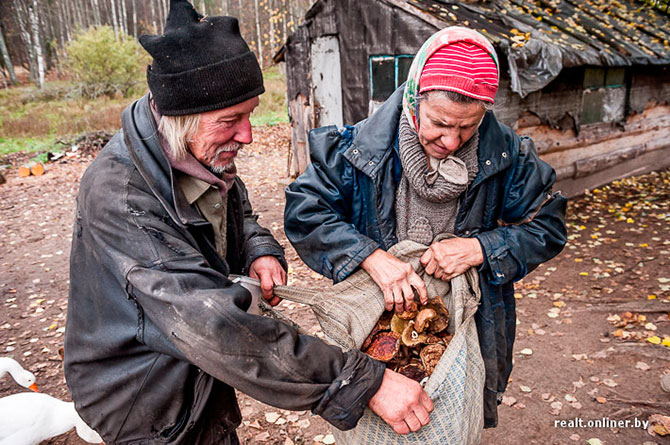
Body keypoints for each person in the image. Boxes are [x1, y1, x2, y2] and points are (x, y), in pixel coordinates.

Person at [63, 1, 434, 443]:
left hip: (196, 372)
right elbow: (208, 322)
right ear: (179, 118)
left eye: (250, 114)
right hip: (148, 398)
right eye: (230, 121)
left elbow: (235, 212)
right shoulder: (120, 194)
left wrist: (258, 248)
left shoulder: (196, 155)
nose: (248, 135)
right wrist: (363, 381)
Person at [284, 26, 568, 428]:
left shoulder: (510, 157)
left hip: (469, 329)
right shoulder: (357, 148)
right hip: (377, 326)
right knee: (381, 421)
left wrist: (482, 248)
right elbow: (305, 211)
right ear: (415, 99)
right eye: (438, 123)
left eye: (467, 127)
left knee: (451, 421)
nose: (451, 141)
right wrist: (368, 256)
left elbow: (548, 226)